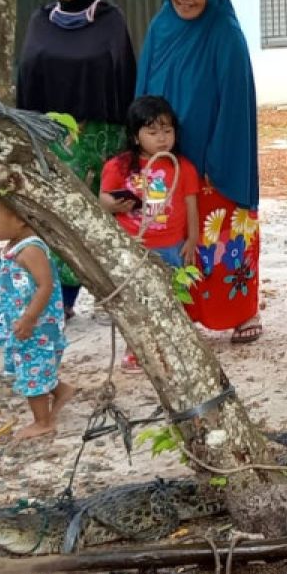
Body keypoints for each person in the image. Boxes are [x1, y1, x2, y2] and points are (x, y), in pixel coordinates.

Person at [136, 0, 263, 344]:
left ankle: (240, 312)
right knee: (173, 237)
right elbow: (143, 90)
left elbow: (235, 101)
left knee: (220, 238)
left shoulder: (224, 31)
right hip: (165, 156)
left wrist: (219, 157)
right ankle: (183, 312)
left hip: (211, 159)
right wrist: (142, 145)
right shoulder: (161, 27)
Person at [17, 0, 137, 319]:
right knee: (61, 221)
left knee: (106, 219)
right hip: (54, 144)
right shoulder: (40, 21)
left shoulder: (110, 20)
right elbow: (27, 79)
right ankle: (63, 301)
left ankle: (113, 296)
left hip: (102, 141)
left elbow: (124, 77)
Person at [99, 95, 200, 373]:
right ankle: (136, 350)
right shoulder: (118, 166)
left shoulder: (182, 167)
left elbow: (191, 202)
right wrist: (113, 204)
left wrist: (192, 239)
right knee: (136, 300)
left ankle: (175, 346)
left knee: (174, 297)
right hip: (133, 247)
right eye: (152, 132)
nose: (161, 138)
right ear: (135, 136)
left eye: (167, 131)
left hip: (171, 246)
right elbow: (102, 200)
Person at [0, 190, 73, 439]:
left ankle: (42, 421)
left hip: (36, 325)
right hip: (26, 323)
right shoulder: (15, 245)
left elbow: (46, 285)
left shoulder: (31, 250)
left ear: (20, 219)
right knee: (36, 365)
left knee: (32, 368)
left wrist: (30, 318)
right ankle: (62, 390)